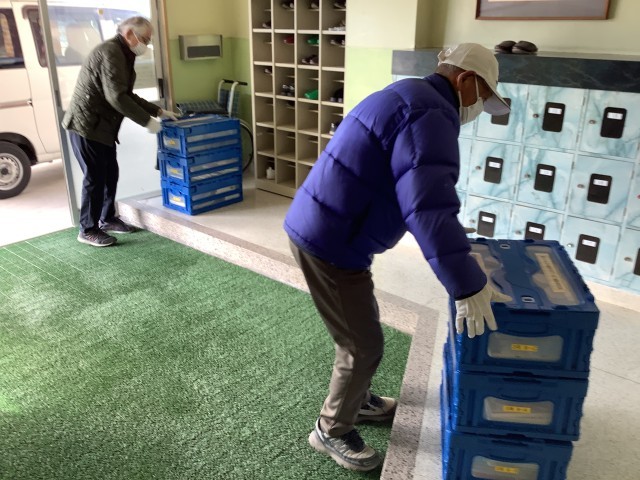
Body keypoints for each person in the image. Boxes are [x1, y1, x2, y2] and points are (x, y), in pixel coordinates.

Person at [284, 43, 513, 472]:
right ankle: (330, 429)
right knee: (362, 344)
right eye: (483, 96)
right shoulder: (431, 114)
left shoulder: (409, 94)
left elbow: (418, 194)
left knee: (362, 327)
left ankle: (356, 400)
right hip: (331, 241)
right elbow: (428, 208)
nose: (480, 107)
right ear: (466, 81)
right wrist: (467, 284)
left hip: (330, 226)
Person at [62, 16, 179, 247]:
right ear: (129, 34)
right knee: (94, 178)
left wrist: (158, 111)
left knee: (110, 174)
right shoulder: (111, 52)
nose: (146, 44)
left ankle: (107, 219)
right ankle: (88, 229)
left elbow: (127, 94)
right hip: (87, 126)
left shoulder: (124, 53)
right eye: (145, 39)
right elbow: (116, 97)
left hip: (102, 127)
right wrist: (147, 122)